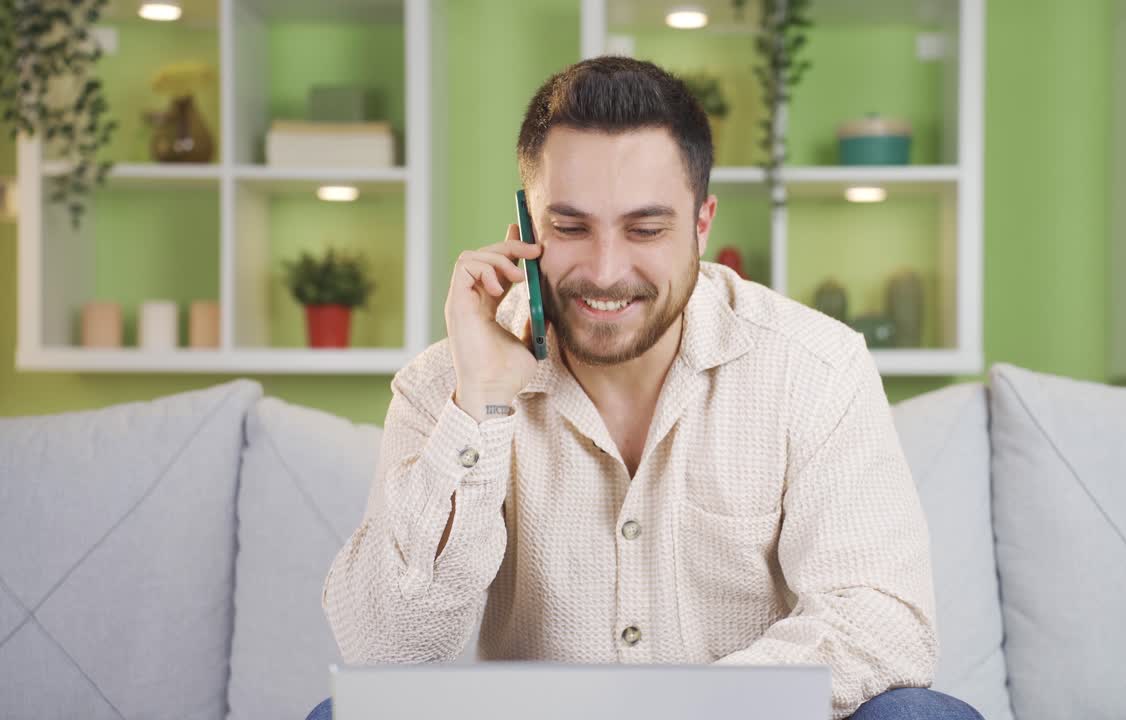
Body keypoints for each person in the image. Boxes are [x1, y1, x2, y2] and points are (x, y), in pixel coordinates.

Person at [310, 56, 983, 720]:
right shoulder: (445, 386)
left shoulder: (816, 368)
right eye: (570, 227)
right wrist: (481, 404)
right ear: (524, 229)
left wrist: (680, 710)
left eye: (645, 229)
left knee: (921, 717)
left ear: (701, 225)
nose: (606, 271)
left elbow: (885, 624)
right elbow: (383, 654)